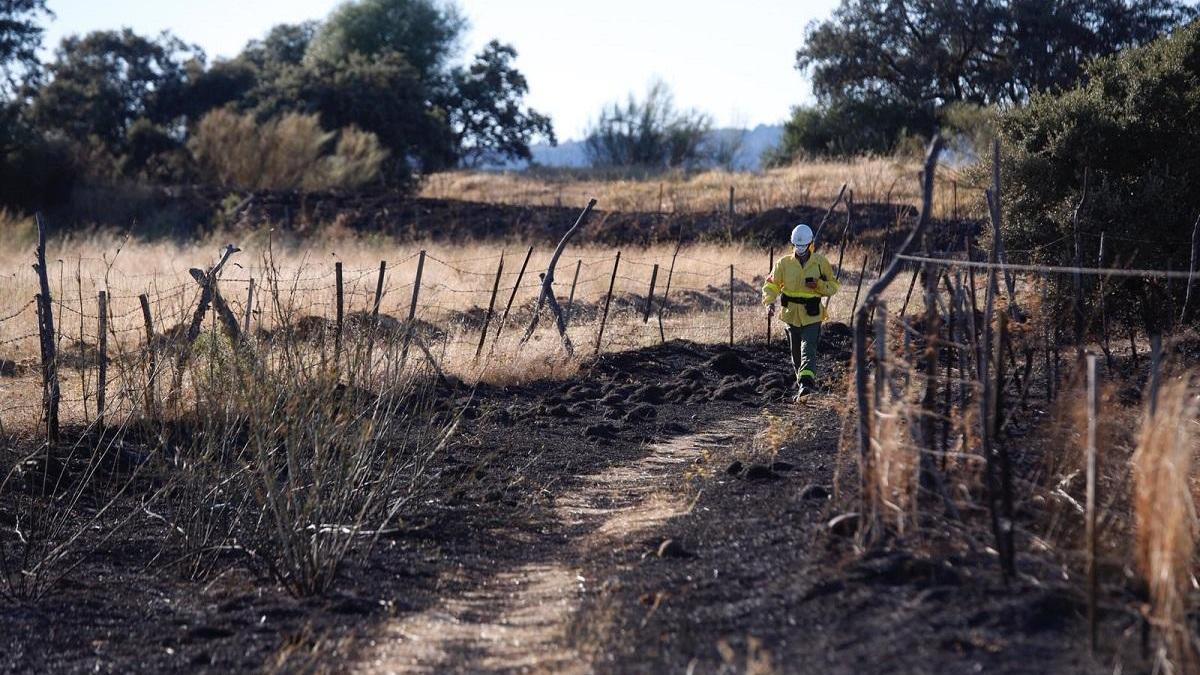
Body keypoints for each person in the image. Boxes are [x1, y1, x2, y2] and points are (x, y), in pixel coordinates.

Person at [761, 223, 840, 400]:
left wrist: (818, 285)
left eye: (804, 246)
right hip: (790, 316)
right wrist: (769, 302)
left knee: (808, 349)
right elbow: (771, 284)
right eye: (798, 246)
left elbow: (833, 286)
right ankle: (803, 386)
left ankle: (806, 385)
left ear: (811, 243)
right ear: (793, 244)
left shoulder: (820, 263)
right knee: (796, 355)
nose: (801, 250)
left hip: (812, 315)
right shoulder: (783, 264)